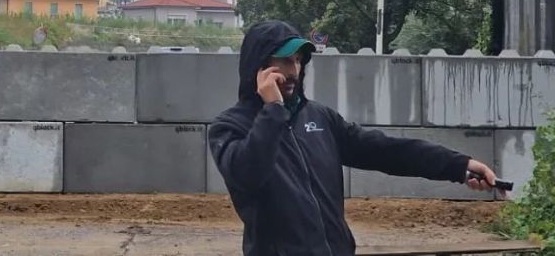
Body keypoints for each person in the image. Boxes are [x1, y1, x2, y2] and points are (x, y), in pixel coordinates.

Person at [209, 20, 501, 256]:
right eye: (285, 60)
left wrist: (458, 165)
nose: (294, 71)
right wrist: (273, 111)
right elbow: (248, 174)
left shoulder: (320, 118)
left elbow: (385, 151)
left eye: (299, 61)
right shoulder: (230, 127)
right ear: (258, 67)